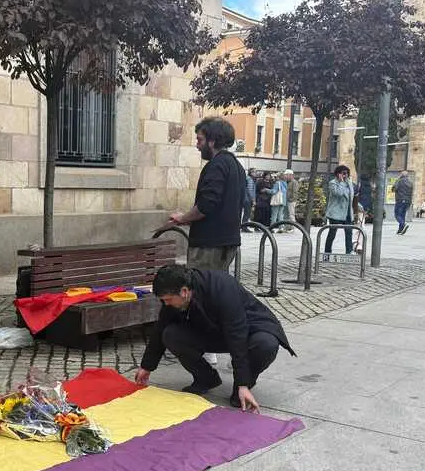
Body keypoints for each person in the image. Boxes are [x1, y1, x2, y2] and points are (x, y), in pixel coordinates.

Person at [134, 264, 295, 411]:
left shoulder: (222, 288)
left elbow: (237, 335)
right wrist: (146, 366)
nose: (166, 304)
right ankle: (206, 378)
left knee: (266, 344)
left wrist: (243, 384)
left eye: (168, 300)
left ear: (184, 291)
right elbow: (160, 328)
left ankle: (242, 388)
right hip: (213, 330)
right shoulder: (175, 294)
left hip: (250, 329)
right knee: (171, 334)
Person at [162, 117, 245, 271]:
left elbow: (206, 205)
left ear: (212, 141)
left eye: (200, 140)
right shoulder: (236, 166)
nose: (197, 145)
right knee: (215, 283)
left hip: (209, 244)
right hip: (227, 241)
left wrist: (182, 218)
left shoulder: (216, 165)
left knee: (201, 284)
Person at [323, 165, 355, 258]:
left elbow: (351, 196)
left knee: (349, 232)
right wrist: (341, 182)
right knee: (332, 233)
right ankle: (327, 253)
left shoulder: (349, 183)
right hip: (336, 213)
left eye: (346, 173)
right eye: (343, 173)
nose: (345, 175)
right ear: (337, 174)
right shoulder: (333, 183)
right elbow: (339, 194)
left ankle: (349, 252)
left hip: (347, 212)